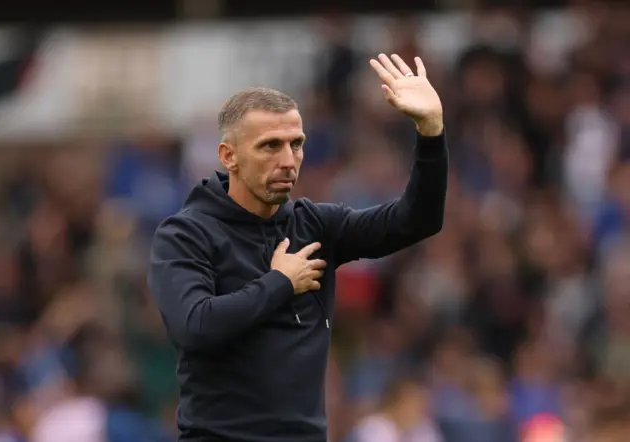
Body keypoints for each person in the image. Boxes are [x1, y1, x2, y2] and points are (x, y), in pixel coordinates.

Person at [148, 53, 448, 442]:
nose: (288, 160)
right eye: (270, 146)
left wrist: (431, 131)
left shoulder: (317, 225)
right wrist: (279, 283)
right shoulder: (185, 235)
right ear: (228, 156)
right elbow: (195, 326)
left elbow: (418, 219)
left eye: (296, 144)